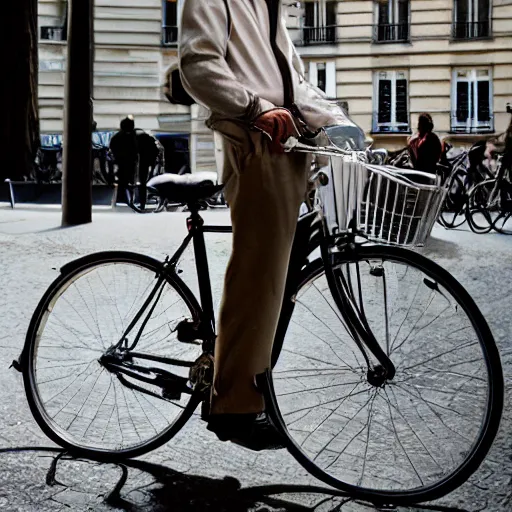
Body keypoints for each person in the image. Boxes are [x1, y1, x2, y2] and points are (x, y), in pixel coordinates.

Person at [179, 0, 320, 450]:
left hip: (288, 144)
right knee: (258, 272)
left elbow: (295, 83)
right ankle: (234, 405)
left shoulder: (269, 6)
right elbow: (198, 65)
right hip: (254, 141)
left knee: (277, 273)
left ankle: (251, 379)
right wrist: (254, 106)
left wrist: (340, 123)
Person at [109, 116, 138, 205]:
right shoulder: (133, 136)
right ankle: (130, 198)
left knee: (122, 181)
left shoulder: (117, 137)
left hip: (121, 162)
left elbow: (112, 148)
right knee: (130, 181)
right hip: (129, 162)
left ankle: (122, 198)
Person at [135, 129, 161, 210]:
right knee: (144, 184)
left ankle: (141, 203)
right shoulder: (149, 140)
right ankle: (142, 203)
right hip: (146, 165)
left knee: (142, 184)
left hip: (143, 165)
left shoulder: (141, 141)